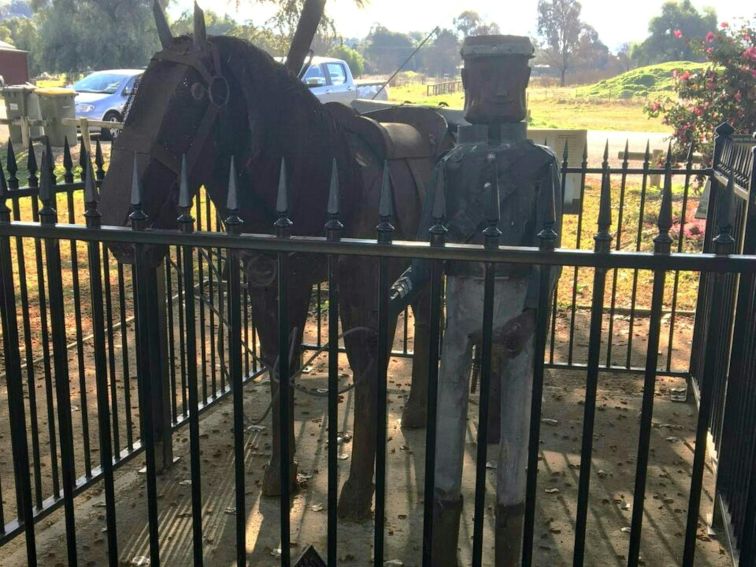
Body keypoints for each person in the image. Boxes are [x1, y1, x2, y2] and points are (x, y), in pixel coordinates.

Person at [389, 35, 562, 566]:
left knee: (516, 413)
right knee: (447, 403)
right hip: (462, 299)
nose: (499, 88)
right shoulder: (452, 164)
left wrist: (533, 311)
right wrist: (402, 287)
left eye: (510, 75)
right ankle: (444, 510)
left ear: (527, 81)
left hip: (516, 301)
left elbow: (547, 246)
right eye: (486, 75)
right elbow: (431, 241)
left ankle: (510, 519)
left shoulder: (540, 164)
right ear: (467, 83)